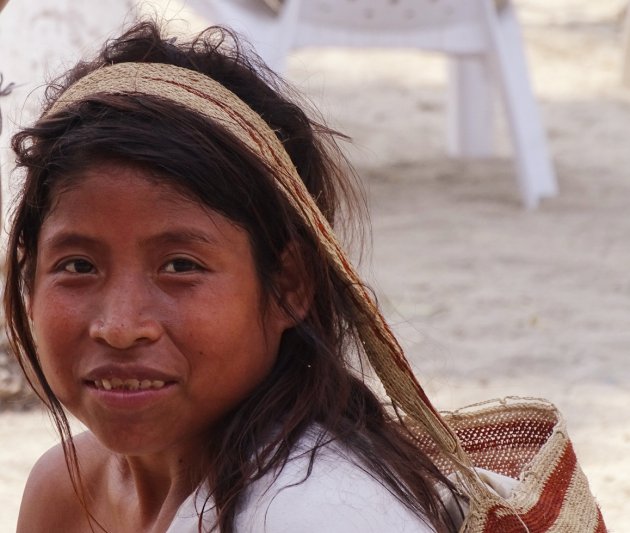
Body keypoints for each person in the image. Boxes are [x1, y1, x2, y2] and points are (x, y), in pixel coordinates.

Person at [4, 20, 465, 532]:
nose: (120, 326)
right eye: (78, 266)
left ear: (289, 286)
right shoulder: (67, 490)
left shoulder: (318, 515)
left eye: (181, 266)